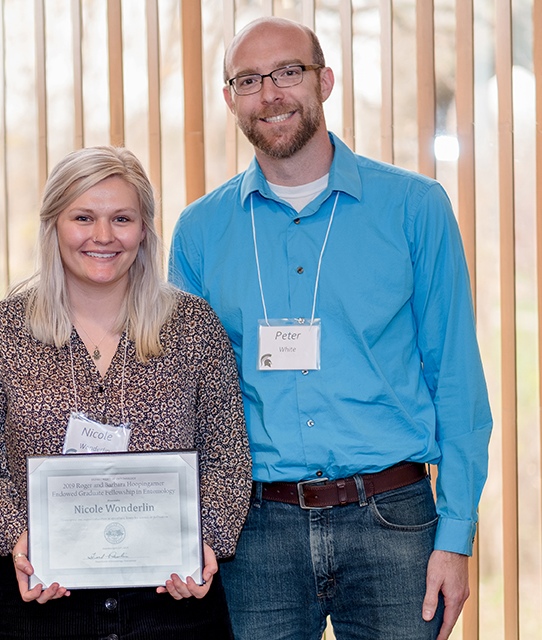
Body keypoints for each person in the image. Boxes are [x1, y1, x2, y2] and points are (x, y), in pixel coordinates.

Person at [169, 17, 492, 640]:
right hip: (255, 531)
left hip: (393, 523)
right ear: (230, 98)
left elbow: (455, 381)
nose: (270, 93)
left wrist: (456, 537)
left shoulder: (415, 208)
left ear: (325, 81)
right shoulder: (200, 232)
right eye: (248, 80)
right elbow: (181, 397)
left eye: (288, 72)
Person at [0, 146, 251, 639]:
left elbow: (227, 455)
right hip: (41, 604)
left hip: (172, 603)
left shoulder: (193, 327)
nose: (103, 236)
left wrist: (204, 541)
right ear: (54, 224)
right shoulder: (2, 332)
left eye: (122, 218)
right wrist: (22, 544)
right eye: (84, 217)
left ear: (144, 229)